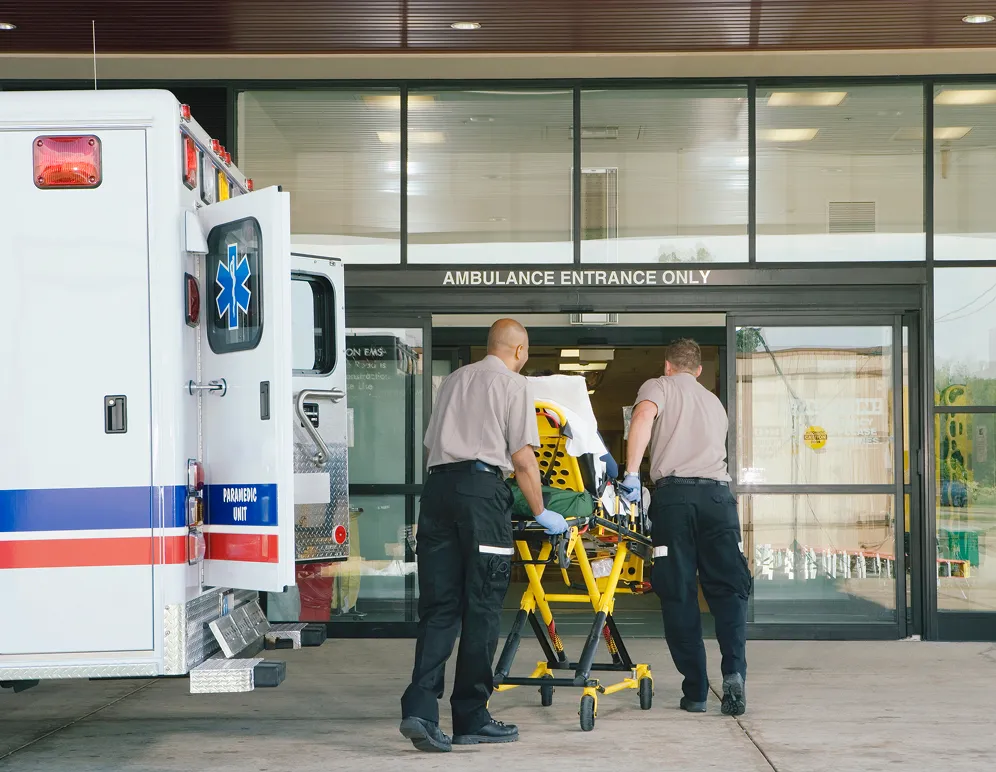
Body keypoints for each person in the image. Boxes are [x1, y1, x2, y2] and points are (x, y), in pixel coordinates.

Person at [400, 319, 569, 753]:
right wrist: (541, 510)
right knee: (482, 607)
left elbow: (429, 444)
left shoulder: (453, 381)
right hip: (481, 494)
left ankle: (419, 708)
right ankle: (470, 716)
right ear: (519, 350)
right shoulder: (514, 385)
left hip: (437, 493)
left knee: (439, 608)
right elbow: (523, 457)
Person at [620, 338, 750, 716]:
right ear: (698, 370)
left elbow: (643, 417)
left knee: (678, 592)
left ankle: (695, 691)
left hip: (674, 500)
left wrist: (631, 473)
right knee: (728, 590)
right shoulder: (714, 402)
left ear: (667, 366)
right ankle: (734, 674)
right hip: (718, 500)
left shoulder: (657, 386)